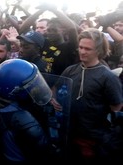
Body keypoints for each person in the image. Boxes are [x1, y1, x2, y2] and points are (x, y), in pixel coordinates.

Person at [51, 28, 123, 164]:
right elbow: (55, 87)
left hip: (93, 137)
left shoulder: (107, 76)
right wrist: (53, 99)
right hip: (68, 132)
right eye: (80, 47)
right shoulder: (71, 70)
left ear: (99, 50)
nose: (82, 52)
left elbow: (116, 106)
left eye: (88, 49)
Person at [0, 59, 53, 165]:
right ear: (15, 90)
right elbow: (44, 152)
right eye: (31, 85)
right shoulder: (22, 118)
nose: (34, 88)